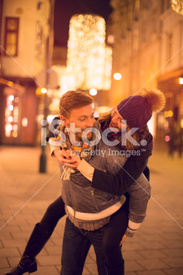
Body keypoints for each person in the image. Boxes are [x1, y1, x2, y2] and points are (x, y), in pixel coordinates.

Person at [6, 89, 164, 275]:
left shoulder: (142, 144)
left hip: (120, 190)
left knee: (110, 245)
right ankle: (27, 260)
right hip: (81, 200)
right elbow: (60, 120)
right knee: (51, 213)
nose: (114, 119)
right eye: (116, 112)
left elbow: (125, 186)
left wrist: (130, 227)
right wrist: (55, 147)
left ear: (133, 128)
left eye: (122, 120)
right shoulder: (100, 122)